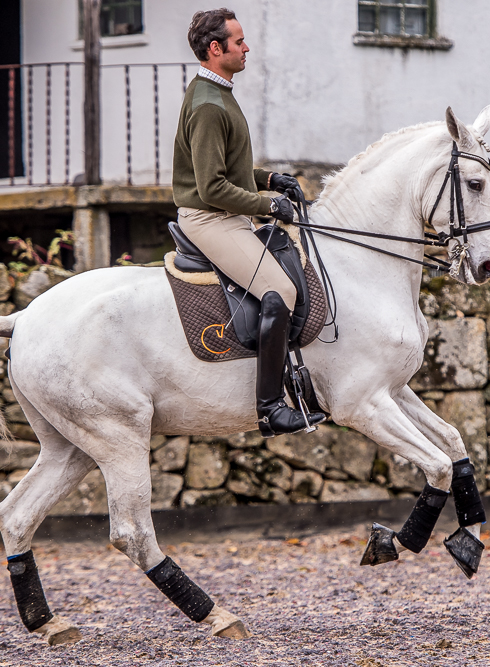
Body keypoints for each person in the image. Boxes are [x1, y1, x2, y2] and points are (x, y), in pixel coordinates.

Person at [172, 8, 325, 437]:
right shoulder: (206, 104)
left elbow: (229, 169)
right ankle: (271, 409)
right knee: (281, 291)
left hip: (227, 212)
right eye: (239, 42)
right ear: (215, 48)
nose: (247, 47)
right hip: (210, 219)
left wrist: (269, 179)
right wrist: (268, 205)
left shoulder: (217, 92)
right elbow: (212, 188)